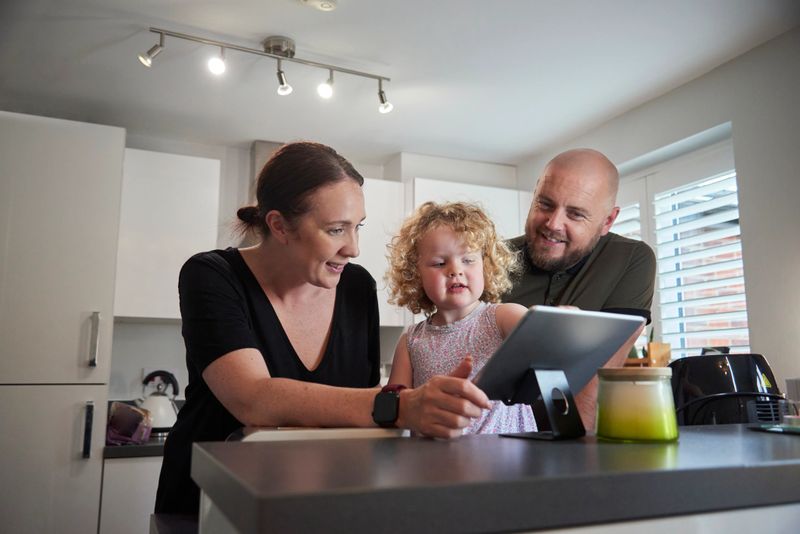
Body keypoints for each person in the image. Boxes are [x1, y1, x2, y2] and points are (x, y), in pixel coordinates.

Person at [154, 142, 491, 515]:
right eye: (336, 230)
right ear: (280, 226)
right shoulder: (212, 275)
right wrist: (401, 405)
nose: (354, 248)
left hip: (319, 502)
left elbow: (358, 416)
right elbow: (252, 399)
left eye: (357, 228)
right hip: (212, 505)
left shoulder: (356, 286)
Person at [504, 148, 654, 429]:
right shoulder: (489, 259)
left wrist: (575, 450)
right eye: (545, 204)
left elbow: (600, 374)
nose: (553, 224)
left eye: (575, 214)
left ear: (607, 221)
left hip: (569, 434)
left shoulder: (631, 259)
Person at [385, 201, 537, 434]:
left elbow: (541, 335)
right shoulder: (410, 341)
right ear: (415, 275)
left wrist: (557, 322)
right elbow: (396, 410)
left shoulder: (502, 317)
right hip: (437, 461)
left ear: (486, 266)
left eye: (468, 260)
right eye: (439, 263)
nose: (455, 270)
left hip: (510, 459)